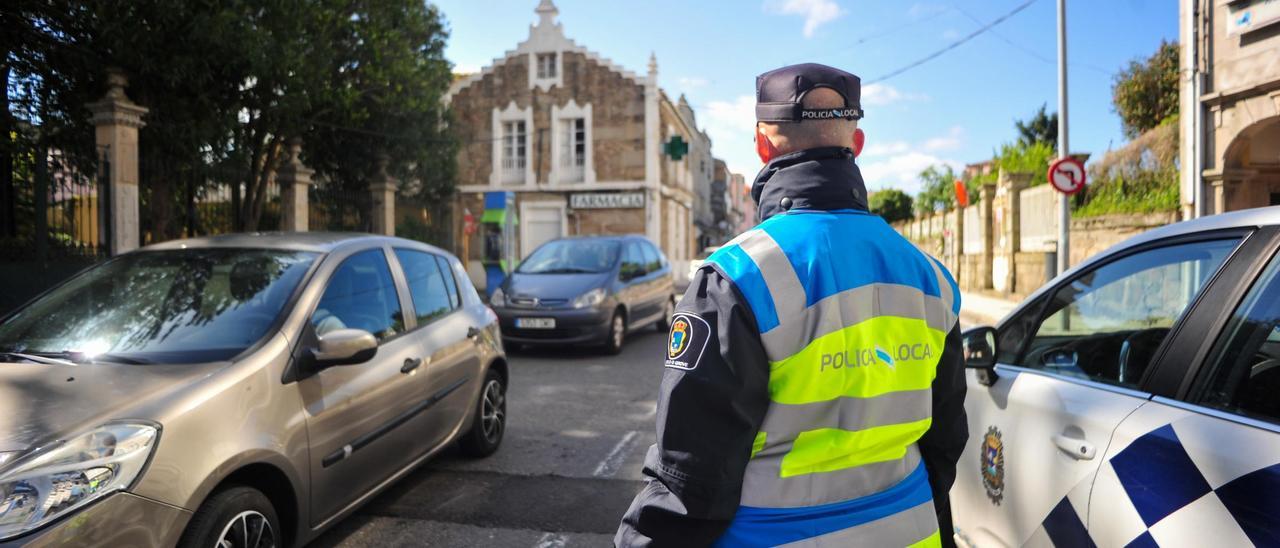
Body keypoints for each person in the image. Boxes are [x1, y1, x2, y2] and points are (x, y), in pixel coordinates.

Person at [615, 63, 968, 548]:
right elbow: (944, 446)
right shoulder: (932, 278)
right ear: (856, 145)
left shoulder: (735, 278)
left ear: (762, 146)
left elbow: (690, 482)